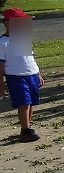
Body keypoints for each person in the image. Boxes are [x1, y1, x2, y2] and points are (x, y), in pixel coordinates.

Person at [0, 8, 44, 142]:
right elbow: (0, 64)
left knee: (31, 103)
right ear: (7, 23)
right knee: (24, 103)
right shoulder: (2, 42)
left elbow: (30, 58)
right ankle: (25, 130)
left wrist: (38, 74)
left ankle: (27, 127)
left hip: (31, 74)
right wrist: (1, 83)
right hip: (16, 76)